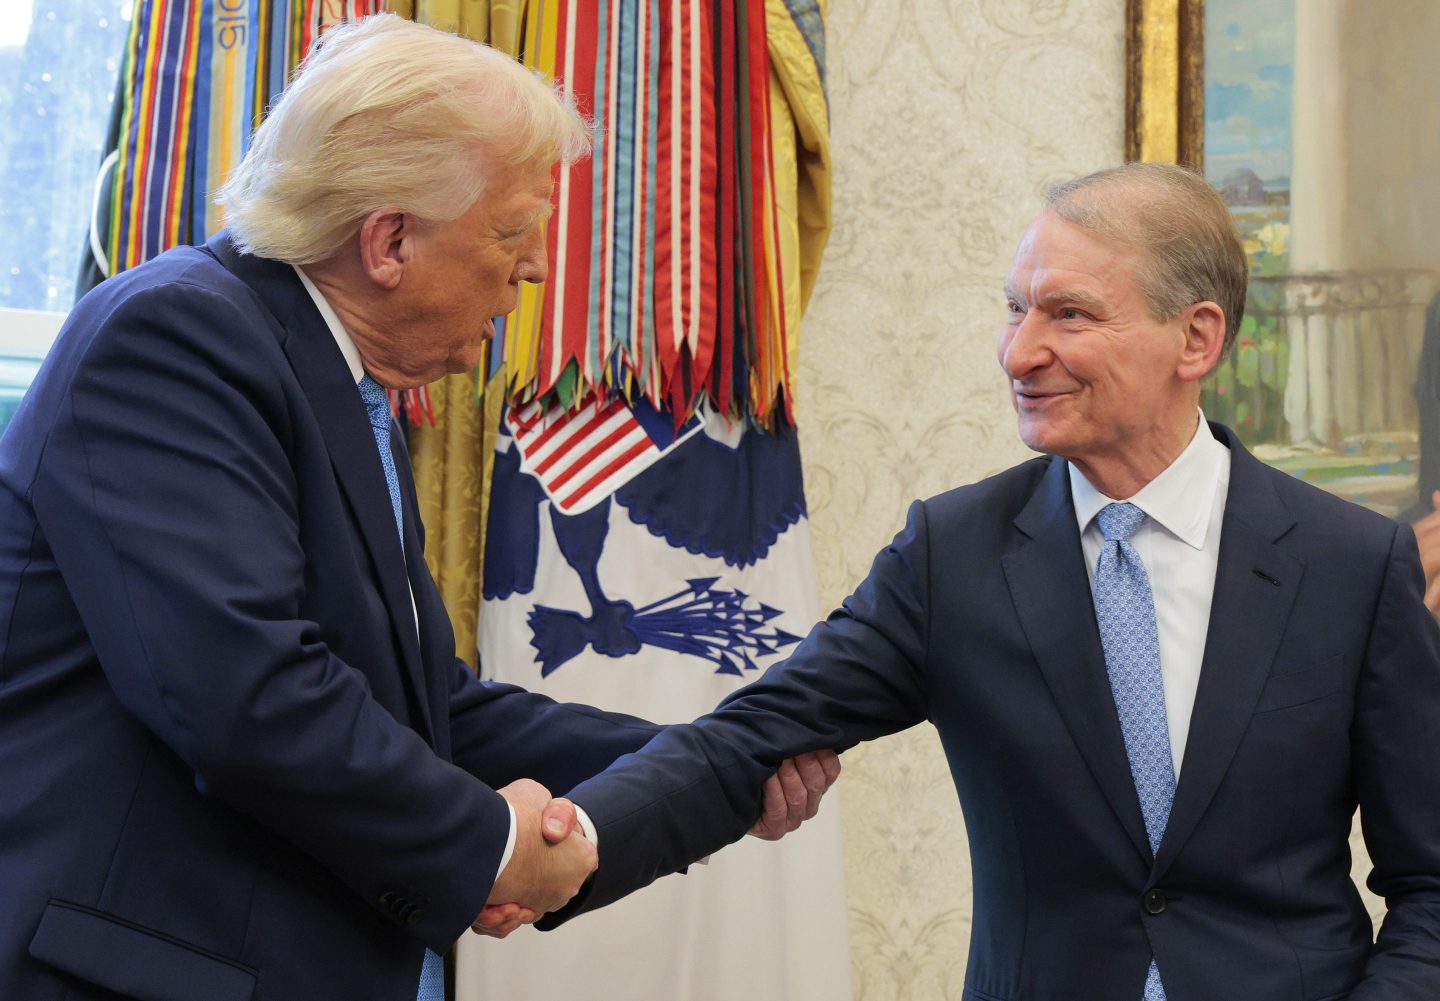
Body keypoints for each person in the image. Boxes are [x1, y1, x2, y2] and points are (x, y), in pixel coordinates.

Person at [0, 15, 834, 1001]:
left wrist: (710, 763)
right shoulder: (175, 337)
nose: (533, 271)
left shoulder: (338, 387)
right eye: (515, 231)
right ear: (391, 240)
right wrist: (493, 846)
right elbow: (246, 698)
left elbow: (430, 710)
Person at [546, 162, 1440, 999]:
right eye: (1015, 309)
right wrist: (561, 848)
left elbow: (1430, 884)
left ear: (1195, 337)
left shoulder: (1352, 565)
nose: (1019, 353)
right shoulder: (953, 555)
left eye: (1071, 315)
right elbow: (743, 738)